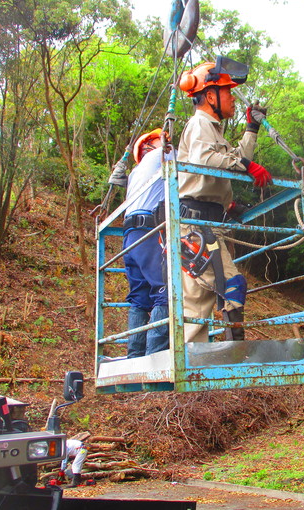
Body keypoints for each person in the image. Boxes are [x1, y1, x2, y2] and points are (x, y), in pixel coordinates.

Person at [176, 57, 271, 343]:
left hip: (204, 222)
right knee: (232, 283)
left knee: (198, 302)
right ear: (209, 96)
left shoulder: (214, 130)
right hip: (196, 223)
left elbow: (231, 159)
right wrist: (245, 166)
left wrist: (251, 129)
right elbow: (205, 160)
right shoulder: (199, 124)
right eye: (227, 92)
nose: (231, 98)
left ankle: (193, 363)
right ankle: (233, 351)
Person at [115, 129, 174, 358]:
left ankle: (135, 354)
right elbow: (192, 164)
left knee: (140, 296)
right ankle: (156, 354)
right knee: (166, 289)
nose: (167, 139)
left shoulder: (136, 173)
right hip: (148, 230)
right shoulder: (161, 155)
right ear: (151, 144)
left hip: (130, 235)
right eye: (162, 138)